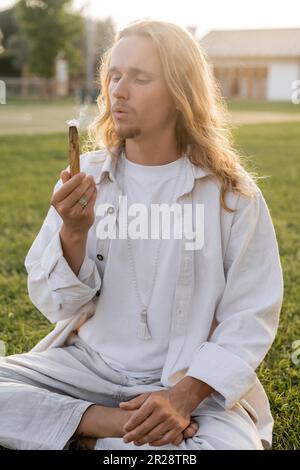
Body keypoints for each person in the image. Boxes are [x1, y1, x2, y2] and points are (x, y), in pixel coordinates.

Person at [0, 19, 283, 451]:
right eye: (114, 75)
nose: (119, 90)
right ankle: (105, 426)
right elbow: (53, 304)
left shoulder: (232, 195)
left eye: (140, 78)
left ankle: (80, 438)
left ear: (179, 93)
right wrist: (74, 235)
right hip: (88, 369)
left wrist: (181, 398)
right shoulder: (86, 178)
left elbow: (250, 316)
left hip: (186, 382)